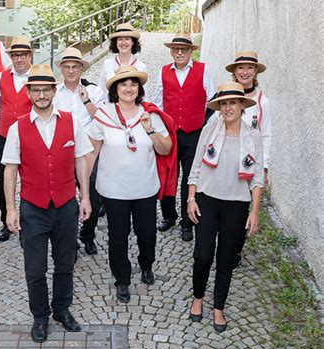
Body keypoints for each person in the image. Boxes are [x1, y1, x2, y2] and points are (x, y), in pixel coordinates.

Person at [2, 65, 93, 343]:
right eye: (36, 90)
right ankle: (40, 317)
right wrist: (10, 209)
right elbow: (10, 170)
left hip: (66, 205)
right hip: (33, 207)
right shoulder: (17, 127)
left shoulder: (70, 120)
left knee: (65, 263)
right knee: (35, 268)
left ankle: (62, 309)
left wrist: (85, 196)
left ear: (54, 91)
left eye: (46, 89)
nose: (41, 94)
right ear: (28, 93)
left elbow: (81, 159)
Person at [88, 66, 175, 304]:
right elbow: (91, 153)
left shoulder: (150, 115)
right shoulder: (103, 115)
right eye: (123, 84)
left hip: (145, 187)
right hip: (113, 190)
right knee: (118, 236)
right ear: (115, 89)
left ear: (139, 89)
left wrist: (149, 129)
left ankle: (146, 265)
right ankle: (122, 279)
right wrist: (84, 190)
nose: (129, 88)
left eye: (133, 84)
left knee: (146, 233)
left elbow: (165, 149)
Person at [187, 82, 264, 333]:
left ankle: (218, 307)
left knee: (226, 258)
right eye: (224, 103)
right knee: (203, 255)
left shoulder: (253, 135)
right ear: (219, 107)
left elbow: (258, 178)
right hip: (207, 199)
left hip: (237, 204)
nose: (228, 107)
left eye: (233, 102)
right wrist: (191, 198)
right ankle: (197, 298)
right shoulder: (211, 128)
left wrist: (254, 211)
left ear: (242, 105)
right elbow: (196, 165)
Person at [148, 33, 215, 241]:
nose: (179, 53)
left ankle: (188, 221)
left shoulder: (204, 70)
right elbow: (157, 104)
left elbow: (213, 102)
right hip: (170, 133)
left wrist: (204, 128)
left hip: (193, 133)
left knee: (190, 178)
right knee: (167, 175)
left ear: (190, 52)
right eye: (176, 49)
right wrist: (160, 130)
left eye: (183, 50)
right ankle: (169, 216)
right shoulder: (163, 72)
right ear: (171, 51)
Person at [54, 47, 106, 255]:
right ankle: (70, 239)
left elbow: (102, 120)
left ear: (81, 69)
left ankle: (88, 235)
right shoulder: (55, 92)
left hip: (88, 151)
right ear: (62, 70)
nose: (71, 70)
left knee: (92, 196)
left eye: (75, 66)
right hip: (63, 152)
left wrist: (86, 101)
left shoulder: (93, 91)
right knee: (66, 199)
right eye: (67, 67)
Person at [0, 36, 33, 242]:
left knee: (30, 181)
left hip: (30, 137)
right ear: (11, 57)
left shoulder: (37, 76)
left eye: (23, 54)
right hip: (5, 136)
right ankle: (7, 221)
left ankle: (29, 224)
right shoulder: (2, 77)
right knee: (6, 180)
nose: (19, 59)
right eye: (15, 55)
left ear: (29, 55)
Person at [225, 51, 270, 178]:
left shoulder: (263, 103)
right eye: (240, 67)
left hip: (250, 163)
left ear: (256, 71)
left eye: (250, 67)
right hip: (225, 161)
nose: (245, 72)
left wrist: (264, 167)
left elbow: (266, 137)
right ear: (234, 70)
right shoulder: (224, 98)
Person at [98, 22, 148, 95]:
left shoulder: (141, 66)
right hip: (110, 105)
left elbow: (144, 95)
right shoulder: (107, 64)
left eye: (127, 39)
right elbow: (101, 90)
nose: (123, 42)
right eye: (120, 39)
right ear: (116, 42)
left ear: (133, 42)